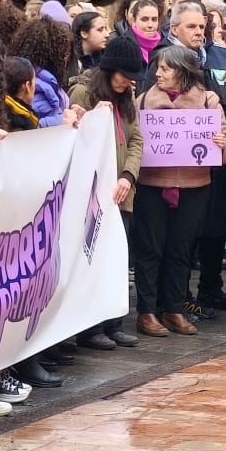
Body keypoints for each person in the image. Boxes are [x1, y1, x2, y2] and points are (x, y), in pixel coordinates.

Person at [129, 46, 226, 337]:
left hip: (194, 186)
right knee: (150, 250)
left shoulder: (208, 101)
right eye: (157, 68)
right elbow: (133, 139)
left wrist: (222, 144)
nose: (158, 74)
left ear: (183, 71)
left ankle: (174, 308)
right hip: (152, 186)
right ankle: (147, 312)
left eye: (165, 68)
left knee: (181, 249)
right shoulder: (144, 101)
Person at [70, 38, 145, 350]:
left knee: (117, 258)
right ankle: (91, 327)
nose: (128, 81)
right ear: (110, 69)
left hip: (120, 192)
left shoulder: (126, 95)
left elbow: (136, 139)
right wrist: (89, 117)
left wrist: (128, 175)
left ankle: (114, 323)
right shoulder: (83, 92)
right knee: (92, 260)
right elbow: (72, 135)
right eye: (123, 74)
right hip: (92, 193)